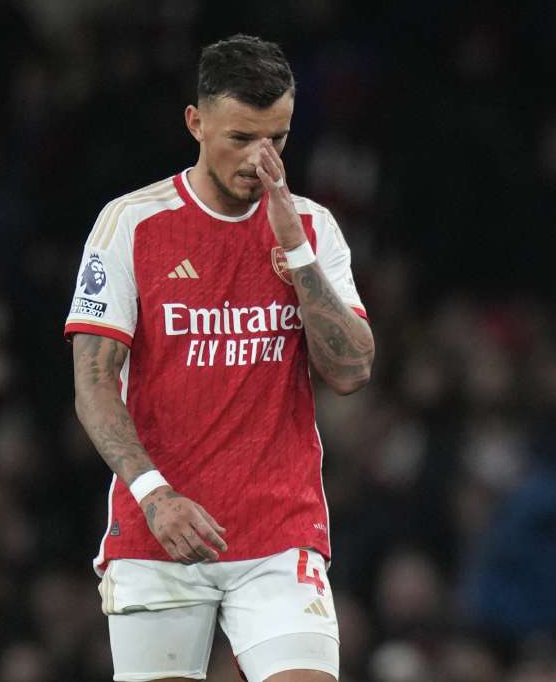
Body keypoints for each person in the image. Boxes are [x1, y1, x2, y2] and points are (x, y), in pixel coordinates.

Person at [66, 34, 375, 682]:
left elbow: (350, 371)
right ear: (195, 123)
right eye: (241, 138)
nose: (261, 159)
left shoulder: (312, 226)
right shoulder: (130, 225)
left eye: (278, 139)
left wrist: (294, 251)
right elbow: (94, 385)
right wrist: (154, 496)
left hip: (276, 534)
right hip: (159, 531)